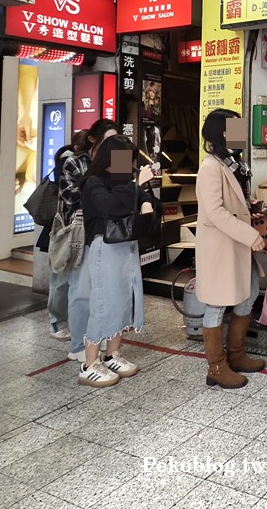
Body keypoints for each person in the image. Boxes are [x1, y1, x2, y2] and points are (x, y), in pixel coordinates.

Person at [71, 134, 154, 387]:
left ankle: (112, 354)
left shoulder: (122, 180)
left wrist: (145, 198)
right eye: (123, 159)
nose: (127, 164)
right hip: (104, 248)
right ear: (111, 157)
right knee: (103, 302)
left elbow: (144, 200)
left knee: (123, 300)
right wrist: (136, 186)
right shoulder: (93, 182)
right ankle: (89, 364)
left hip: (126, 246)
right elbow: (111, 206)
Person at [196, 109, 267, 389]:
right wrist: (250, 234)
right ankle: (216, 367)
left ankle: (236, 355)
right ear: (223, 133)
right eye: (236, 128)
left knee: (248, 294)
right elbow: (214, 211)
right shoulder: (210, 167)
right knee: (216, 303)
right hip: (222, 246)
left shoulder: (233, 163)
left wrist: (252, 209)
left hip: (238, 244)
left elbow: (235, 202)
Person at [62, 119, 119, 356]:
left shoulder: (119, 161)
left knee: (109, 290)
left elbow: (128, 194)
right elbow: (71, 197)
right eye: (108, 141)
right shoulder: (75, 162)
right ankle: (78, 345)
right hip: (83, 233)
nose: (112, 147)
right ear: (93, 140)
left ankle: (102, 338)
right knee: (82, 291)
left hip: (111, 235)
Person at [34, 131, 86, 341]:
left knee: (70, 278)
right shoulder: (68, 162)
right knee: (62, 276)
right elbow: (72, 196)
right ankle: (57, 322)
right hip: (66, 227)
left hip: (82, 227)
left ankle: (68, 320)